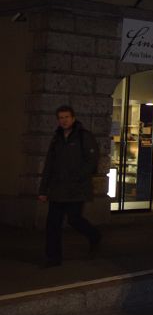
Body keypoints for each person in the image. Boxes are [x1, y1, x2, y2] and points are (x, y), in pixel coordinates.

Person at [37, 105, 102, 267]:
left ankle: (94, 235)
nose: (64, 120)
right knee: (52, 224)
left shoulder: (83, 136)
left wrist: (77, 177)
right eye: (60, 118)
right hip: (58, 189)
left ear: (73, 118)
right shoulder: (56, 138)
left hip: (76, 188)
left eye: (66, 117)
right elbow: (49, 166)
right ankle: (53, 258)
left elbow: (92, 162)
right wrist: (43, 190)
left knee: (74, 220)